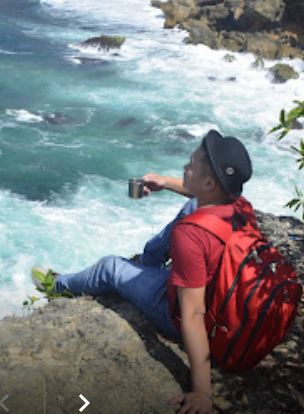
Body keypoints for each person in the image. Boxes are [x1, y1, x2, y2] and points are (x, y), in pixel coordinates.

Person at [32, 130, 256, 414]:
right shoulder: (240, 206)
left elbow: (192, 314)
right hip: (229, 302)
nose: (184, 168)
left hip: (181, 311)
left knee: (109, 267)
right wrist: (164, 182)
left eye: (190, 164)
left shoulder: (191, 237)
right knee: (191, 206)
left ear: (210, 182)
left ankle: (56, 285)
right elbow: (201, 194)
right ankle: (149, 263)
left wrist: (202, 392)